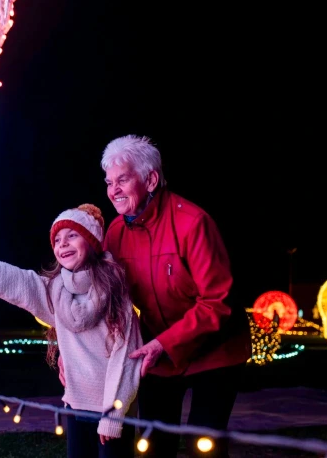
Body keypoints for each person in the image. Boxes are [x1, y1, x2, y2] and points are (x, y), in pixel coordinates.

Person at [0, 203, 142, 458]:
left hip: (114, 411)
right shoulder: (55, 292)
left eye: (72, 235)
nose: (62, 244)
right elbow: (14, 279)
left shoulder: (116, 292)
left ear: (92, 241)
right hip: (76, 406)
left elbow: (127, 357)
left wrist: (112, 415)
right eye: (57, 239)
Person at [100, 135, 252, 458]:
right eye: (109, 181)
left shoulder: (192, 222)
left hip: (217, 349)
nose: (113, 190)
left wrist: (162, 343)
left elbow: (217, 302)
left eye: (122, 179)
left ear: (151, 179)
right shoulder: (114, 233)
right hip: (159, 353)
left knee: (204, 446)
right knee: (153, 445)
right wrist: (68, 352)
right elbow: (100, 298)